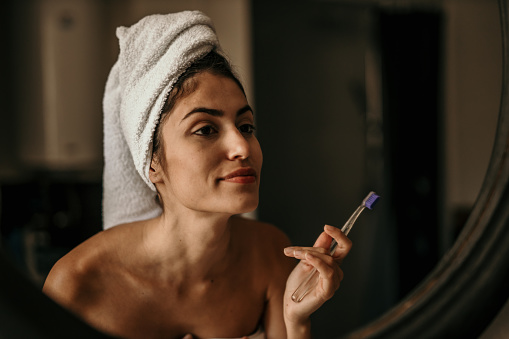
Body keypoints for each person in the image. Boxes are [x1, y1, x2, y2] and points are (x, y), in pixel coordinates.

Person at [42, 11, 352, 339]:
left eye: (246, 126)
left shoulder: (270, 254)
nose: (242, 147)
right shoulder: (76, 285)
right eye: (205, 129)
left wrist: (296, 318)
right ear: (152, 162)